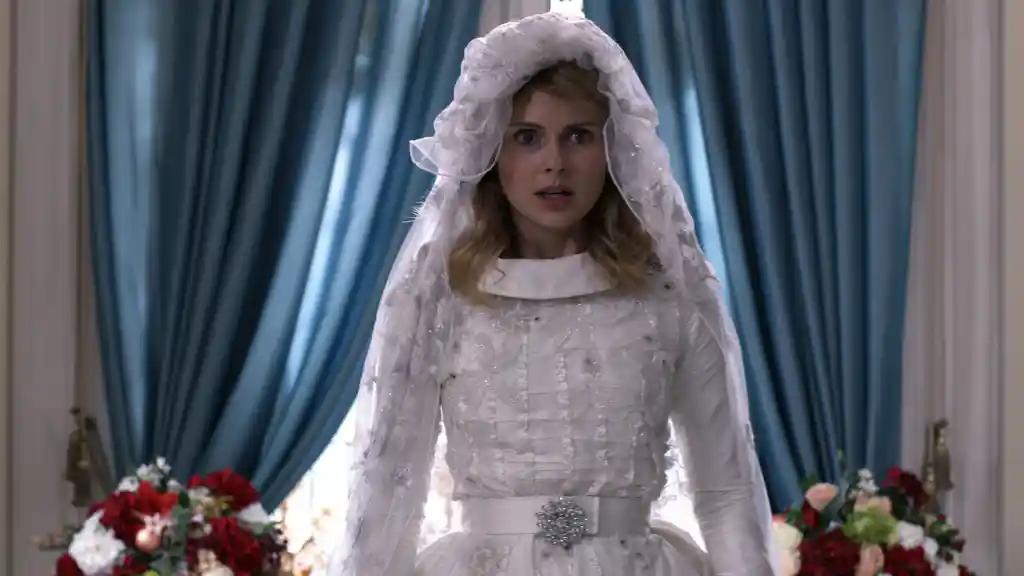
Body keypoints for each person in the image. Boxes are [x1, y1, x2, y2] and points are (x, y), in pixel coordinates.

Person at [328, 12, 777, 576]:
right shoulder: (438, 302)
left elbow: (727, 492)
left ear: (612, 150)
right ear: (494, 153)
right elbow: (388, 491)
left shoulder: (669, 301)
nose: (554, 163)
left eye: (578, 136)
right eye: (527, 137)